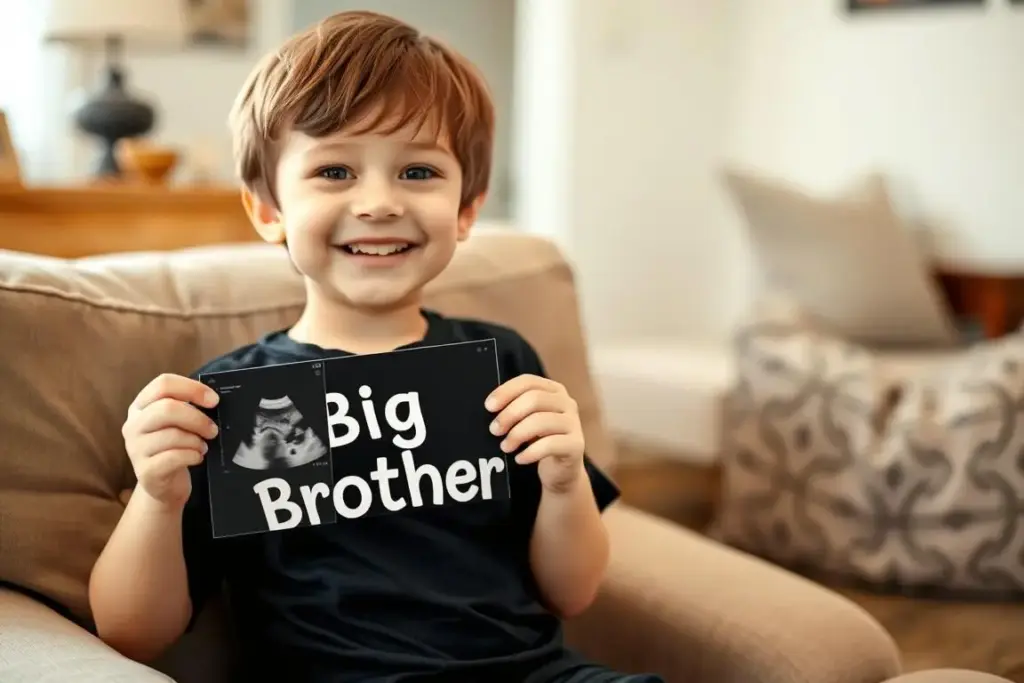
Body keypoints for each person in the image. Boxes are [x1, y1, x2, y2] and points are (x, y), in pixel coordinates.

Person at [88, 10, 664, 683]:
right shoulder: (230, 403)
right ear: (269, 211)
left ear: (467, 209)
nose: (380, 202)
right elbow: (130, 631)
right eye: (334, 171)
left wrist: (565, 479)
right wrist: (158, 495)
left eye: (418, 173)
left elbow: (573, 592)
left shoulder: (502, 364)